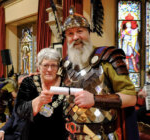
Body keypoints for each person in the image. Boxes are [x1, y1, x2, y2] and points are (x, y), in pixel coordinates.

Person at [59, 8, 139, 140]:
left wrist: (95, 100)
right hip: (71, 135)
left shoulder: (108, 58)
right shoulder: (65, 64)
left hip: (104, 135)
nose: (75, 37)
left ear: (89, 32)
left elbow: (131, 98)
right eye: (70, 33)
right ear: (66, 38)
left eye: (80, 31)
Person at [15, 48, 67, 140]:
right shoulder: (28, 82)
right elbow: (19, 110)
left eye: (53, 65)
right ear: (39, 67)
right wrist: (38, 101)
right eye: (45, 65)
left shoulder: (66, 84)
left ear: (58, 67)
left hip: (58, 135)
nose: (49, 69)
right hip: (32, 134)